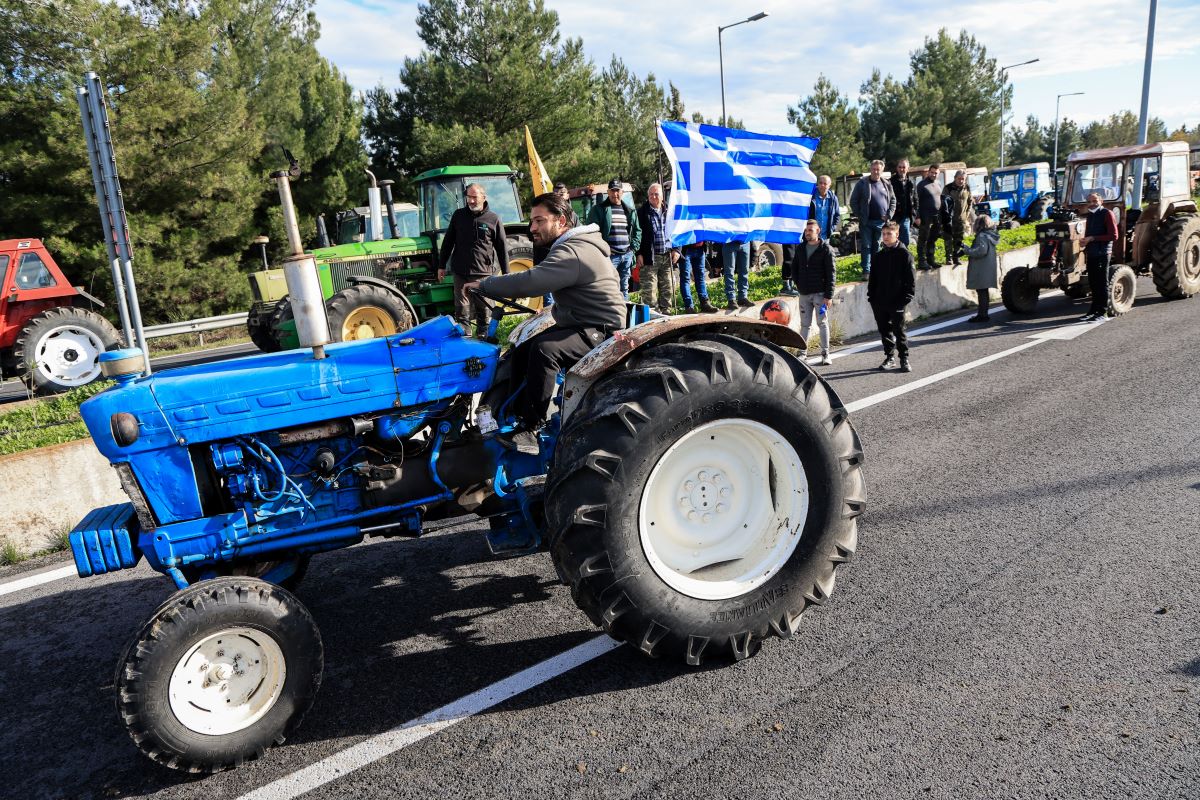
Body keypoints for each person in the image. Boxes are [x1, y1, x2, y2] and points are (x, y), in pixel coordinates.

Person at [470, 192, 625, 453]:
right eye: (532, 221)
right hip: (579, 321)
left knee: (545, 351)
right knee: (523, 349)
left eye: (539, 221)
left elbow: (531, 281)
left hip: (600, 328)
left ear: (561, 221)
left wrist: (486, 285)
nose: (532, 228)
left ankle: (532, 427)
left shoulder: (574, 250)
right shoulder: (572, 245)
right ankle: (509, 416)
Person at [438, 182, 509, 335]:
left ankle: (484, 334)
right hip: (460, 271)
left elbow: (502, 248)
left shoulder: (494, 219)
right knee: (461, 306)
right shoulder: (458, 216)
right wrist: (441, 265)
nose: (470, 201)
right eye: (468, 197)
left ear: (484, 197)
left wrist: (507, 274)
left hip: (483, 272)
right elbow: (448, 241)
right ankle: (465, 335)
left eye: (474, 197)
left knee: (483, 305)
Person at [867, 221, 915, 373]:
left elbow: (911, 282)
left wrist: (904, 300)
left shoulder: (905, 255)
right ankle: (890, 357)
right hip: (879, 301)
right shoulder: (878, 256)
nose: (886, 237)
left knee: (899, 331)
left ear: (897, 234)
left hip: (898, 302)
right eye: (884, 234)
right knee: (884, 331)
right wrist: (872, 298)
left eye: (889, 233)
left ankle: (904, 359)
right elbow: (873, 279)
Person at [788, 218, 836, 366]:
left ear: (818, 231)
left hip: (821, 295)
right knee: (805, 325)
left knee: (822, 323)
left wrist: (829, 296)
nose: (807, 233)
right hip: (804, 294)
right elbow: (794, 268)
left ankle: (825, 354)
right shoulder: (800, 248)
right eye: (806, 230)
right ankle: (802, 354)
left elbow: (831, 274)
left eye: (810, 230)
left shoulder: (826, 249)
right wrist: (799, 284)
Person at [587, 179, 640, 298]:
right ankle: (609, 309)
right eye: (612, 191)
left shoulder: (630, 211)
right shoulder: (599, 210)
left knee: (624, 287)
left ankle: (624, 309)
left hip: (626, 255)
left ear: (622, 192)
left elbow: (637, 231)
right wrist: (604, 249)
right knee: (608, 287)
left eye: (617, 190)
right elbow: (591, 231)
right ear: (608, 192)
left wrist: (633, 249)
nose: (615, 194)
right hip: (610, 256)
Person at [849, 159, 896, 280]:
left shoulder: (886, 184)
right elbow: (853, 201)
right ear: (870, 169)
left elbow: (893, 201)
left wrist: (889, 215)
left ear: (882, 170)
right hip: (866, 222)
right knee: (866, 246)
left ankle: (876, 269)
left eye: (878, 169)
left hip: (881, 222)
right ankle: (866, 271)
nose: (876, 171)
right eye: (874, 169)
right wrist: (860, 215)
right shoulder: (862, 183)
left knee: (878, 246)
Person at [636, 183, 678, 314]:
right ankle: (653, 316)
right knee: (649, 292)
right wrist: (638, 253)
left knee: (668, 288)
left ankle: (667, 313)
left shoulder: (670, 212)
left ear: (662, 196)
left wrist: (677, 250)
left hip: (667, 256)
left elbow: (678, 231)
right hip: (649, 258)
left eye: (656, 194)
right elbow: (636, 234)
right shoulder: (641, 213)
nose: (653, 197)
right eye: (651, 194)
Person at [1079, 191, 1119, 321]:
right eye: (1089, 201)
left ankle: (1103, 312)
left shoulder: (1107, 213)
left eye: (1095, 201)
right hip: (1092, 253)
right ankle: (1093, 311)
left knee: (1102, 283)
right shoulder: (1090, 215)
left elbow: (1114, 236)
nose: (1092, 203)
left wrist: (1092, 238)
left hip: (1103, 253)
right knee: (1093, 283)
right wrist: (1085, 241)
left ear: (1101, 201)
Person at [961, 214, 1000, 323]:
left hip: (981, 268)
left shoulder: (982, 236)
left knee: (981, 291)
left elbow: (981, 251)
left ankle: (982, 315)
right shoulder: (990, 235)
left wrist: (966, 249)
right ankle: (983, 314)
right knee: (984, 291)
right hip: (987, 267)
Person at [915, 163, 943, 270]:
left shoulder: (938, 183)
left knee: (932, 239)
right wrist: (917, 216)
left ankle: (931, 260)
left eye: (936, 173)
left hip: (936, 216)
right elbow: (916, 202)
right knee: (923, 239)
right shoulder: (921, 185)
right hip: (924, 216)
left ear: (938, 174)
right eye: (932, 172)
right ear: (928, 172)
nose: (933, 174)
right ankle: (922, 261)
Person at [944, 170, 974, 267]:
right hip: (949, 219)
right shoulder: (948, 188)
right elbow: (943, 203)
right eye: (959, 179)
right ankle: (948, 258)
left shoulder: (967, 188)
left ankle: (956, 257)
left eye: (963, 179)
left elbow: (970, 202)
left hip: (961, 219)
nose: (961, 181)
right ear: (955, 178)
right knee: (948, 238)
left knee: (959, 238)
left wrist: (967, 214)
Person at [679, 241, 718, 313]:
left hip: (700, 249)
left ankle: (705, 303)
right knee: (685, 278)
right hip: (685, 249)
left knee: (700, 277)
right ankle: (689, 306)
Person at [889, 159, 918, 246]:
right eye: (900, 167)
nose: (902, 169)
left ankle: (903, 255)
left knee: (905, 242)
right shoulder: (890, 182)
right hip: (894, 217)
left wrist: (915, 213)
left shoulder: (911, 183)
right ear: (897, 168)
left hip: (906, 217)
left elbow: (915, 199)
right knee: (892, 241)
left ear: (908, 168)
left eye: (904, 167)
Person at [809, 175, 841, 245]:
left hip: (826, 237)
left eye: (825, 183)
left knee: (825, 251)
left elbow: (837, 215)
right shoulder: (811, 196)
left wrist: (832, 228)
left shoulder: (833, 199)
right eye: (820, 183)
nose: (822, 185)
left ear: (829, 185)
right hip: (812, 235)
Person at [721, 237, 752, 309]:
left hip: (745, 242)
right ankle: (731, 299)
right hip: (730, 241)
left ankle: (743, 297)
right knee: (729, 272)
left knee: (744, 271)